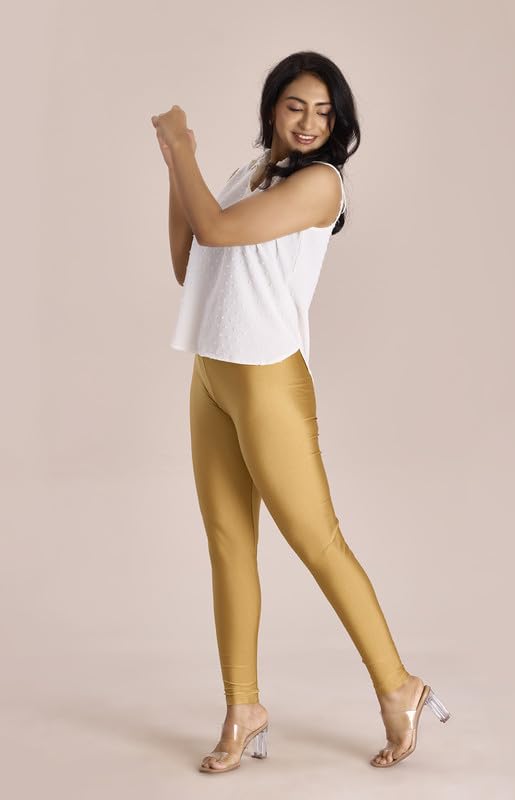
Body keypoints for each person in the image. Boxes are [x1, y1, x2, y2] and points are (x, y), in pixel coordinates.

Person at [151, 50, 450, 774]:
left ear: (338, 121)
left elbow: (215, 228)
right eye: (296, 106)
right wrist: (176, 168)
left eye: (324, 111)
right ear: (273, 108)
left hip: (268, 382)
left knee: (318, 541)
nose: (310, 122)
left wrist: (181, 146)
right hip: (213, 373)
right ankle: (243, 708)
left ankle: (398, 685)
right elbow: (191, 264)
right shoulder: (252, 172)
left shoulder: (322, 184)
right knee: (228, 543)